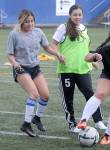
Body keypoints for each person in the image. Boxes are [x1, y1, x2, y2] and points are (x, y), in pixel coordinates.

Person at [6, 9, 65, 137]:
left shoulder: (38, 32)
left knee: (45, 95)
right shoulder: (14, 34)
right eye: (27, 21)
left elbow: (47, 47)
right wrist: (15, 64)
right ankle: (26, 124)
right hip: (21, 68)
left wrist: (57, 54)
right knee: (34, 94)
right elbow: (10, 55)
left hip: (35, 68)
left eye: (32, 21)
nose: (30, 24)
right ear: (21, 22)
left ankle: (36, 118)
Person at [50, 4, 106, 133]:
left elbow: (85, 49)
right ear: (70, 15)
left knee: (91, 95)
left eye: (79, 14)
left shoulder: (84, 29)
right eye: (75, 14)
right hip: (67, 70)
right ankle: (72, 124)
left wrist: (92, 61)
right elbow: (53, 45)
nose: (77, 17)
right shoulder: (63, 28)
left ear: (82, 15)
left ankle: (98, 121)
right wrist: (59, 55)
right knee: (68, 99)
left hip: (83, 68)